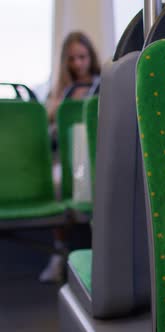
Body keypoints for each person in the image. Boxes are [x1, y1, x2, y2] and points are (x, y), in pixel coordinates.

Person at [39, 31, 101, 283]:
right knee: (58, 183)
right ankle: (59, 252)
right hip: (65, 160)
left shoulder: (102, 86)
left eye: (82, 57)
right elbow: (48, 138)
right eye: (72, 59)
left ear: (90, 57)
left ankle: (99, 250)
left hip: (93, 157)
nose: (77, 64)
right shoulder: (55, 95)